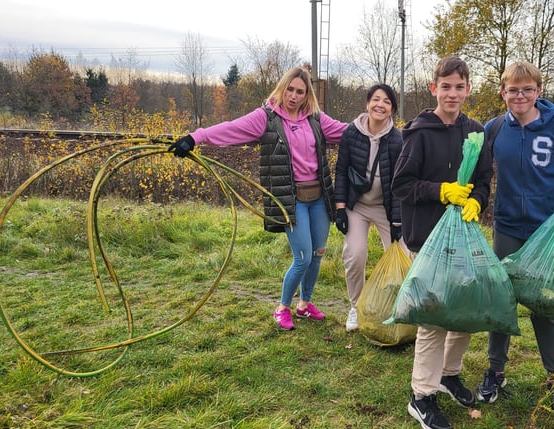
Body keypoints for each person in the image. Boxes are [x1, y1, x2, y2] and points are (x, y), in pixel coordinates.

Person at [168, 65, 347, 331]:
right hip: (291, 199)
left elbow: (350, 133)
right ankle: (283, 307)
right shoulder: (267, 118)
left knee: (318, 253)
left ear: (307, 95)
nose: (294, 96)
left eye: (300, 91)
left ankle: (304, 304)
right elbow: (231, 129)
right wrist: (196, 138)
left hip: (319, 198)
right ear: (282, 88)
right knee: (303, 258)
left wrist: (381, 126)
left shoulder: (316, 119)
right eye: (290, 89)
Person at [392, 55, 493, 429]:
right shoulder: (419, 133)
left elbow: (484, 180)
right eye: (445, 86)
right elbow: (402, 185)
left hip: (462, 237)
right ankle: (421, 396)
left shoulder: (476, 133)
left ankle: (449, 375)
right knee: (434, 318)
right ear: (433, 88)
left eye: (459, 86)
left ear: (468, 89)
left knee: (462, 311)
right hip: (428, 238)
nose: (453, 93)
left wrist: (476, 201)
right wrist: (441, 192)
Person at [475, 61, 554, 416]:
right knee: (501, 302)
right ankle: (495, 370)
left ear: (538, 90)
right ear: (502, 92)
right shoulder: (493, 129)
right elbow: (477, 173)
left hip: (545, 234)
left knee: (544, 307)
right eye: (512, 90)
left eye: (527, 89)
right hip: (506, 230)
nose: (519, 96)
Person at [334, 84, 404, 332]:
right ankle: (356, 306)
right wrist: (340, 208)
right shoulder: (351, 133)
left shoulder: (397, 139)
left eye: (386, 101)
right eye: (376, 99)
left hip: (386, 209)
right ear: (367, 103)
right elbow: (341, 170)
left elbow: (398, 183)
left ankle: (397, 308)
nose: (380, 105)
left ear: (392, 109)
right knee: (355, 255)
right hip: (358, 206)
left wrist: (397, 222)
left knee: (402, 257)